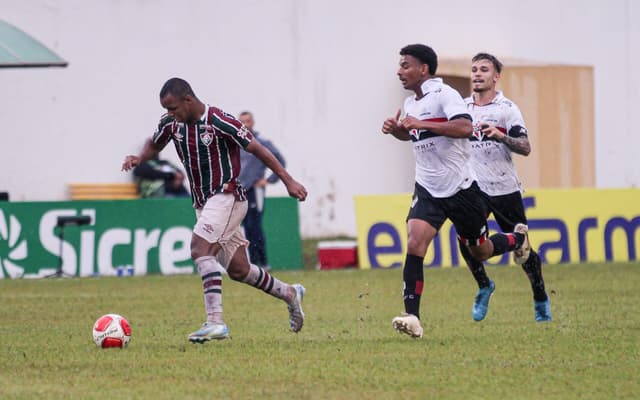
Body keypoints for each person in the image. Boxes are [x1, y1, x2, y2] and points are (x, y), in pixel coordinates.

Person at [122, 78, 308, 343]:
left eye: (173, 108)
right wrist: (139, 158)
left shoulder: (219, 120)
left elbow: (258, 149)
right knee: (240, 270)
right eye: (167, 110)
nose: (170, 114)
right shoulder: (171, 123)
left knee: (200, 249)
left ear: (188, 100)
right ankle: (289, 293)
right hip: (204, 203)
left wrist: (288, 181)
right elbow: (154, 144)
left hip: (228, 195)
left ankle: (215, 322)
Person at [381, 44, 531, 338]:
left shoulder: (445, 95)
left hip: (462, 189)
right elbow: (414, 133)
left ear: (424, 69)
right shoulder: (411, 102)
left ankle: (517, 238)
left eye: (406, 65)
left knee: (481, 251)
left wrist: (420, 123)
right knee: (415, 242)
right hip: (427, 187)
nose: (400, 71)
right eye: (400, 66)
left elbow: (465, 127)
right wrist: (397, 129)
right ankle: (412, 316)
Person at [460, 52, 551, 322]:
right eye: (474, 69)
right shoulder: (462, 107)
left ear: (496, 76)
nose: (477, 74)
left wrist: (500, 135)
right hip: (472, 187)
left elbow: (525, 147)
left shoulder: (506, 108)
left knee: (523, 251)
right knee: (466, 240)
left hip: (503, 187)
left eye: (484, 69)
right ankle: (484, 285)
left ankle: (540, 296)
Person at [237, 111, 286, 271]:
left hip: (255, 189)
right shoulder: (236, 143)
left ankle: (263, 263)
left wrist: (269, 180)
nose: (245, 124)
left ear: (253, 122)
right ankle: (252, 263)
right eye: (242, 121)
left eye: (248, 121)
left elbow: (280, 160)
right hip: (240, 190)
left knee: (255, 225)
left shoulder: (261, 142)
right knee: (246, 227)